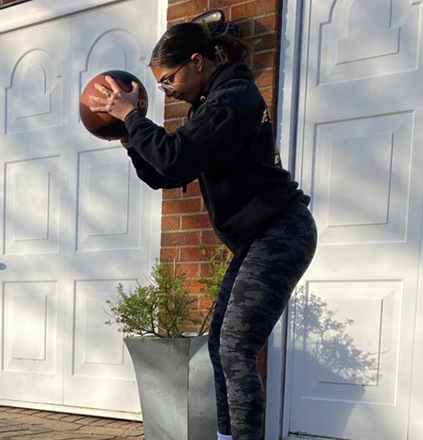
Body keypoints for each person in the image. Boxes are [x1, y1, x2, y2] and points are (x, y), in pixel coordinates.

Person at [89, 22, 317, 440]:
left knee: (235, 348)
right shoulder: (212, 103)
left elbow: (175, 158)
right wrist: (128, 136)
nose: (167, 90)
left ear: (197, 62)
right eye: (159, 85)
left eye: (168, 80)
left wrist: (133, 117)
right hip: (257, 240)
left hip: (282, 231)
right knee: (220, 348)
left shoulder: (234, 99)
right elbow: (166, 173)